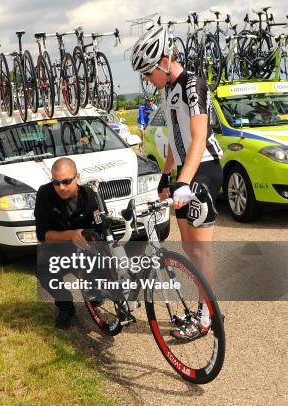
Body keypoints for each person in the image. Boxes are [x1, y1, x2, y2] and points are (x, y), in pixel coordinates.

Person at [131, 26, 224, 340]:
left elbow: (199, 137)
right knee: (188, 247)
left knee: (201, 251)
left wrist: (184, 181)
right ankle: (207, 308)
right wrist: (166, 175)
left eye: (147, 72)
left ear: (161, 62)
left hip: (205, 168)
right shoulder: (168, 90)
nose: (146, 79)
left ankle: (207, 315)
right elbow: (174, 138)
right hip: (185, 171)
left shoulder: (193, 84)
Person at [34, 157, 100, 330]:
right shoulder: (44, 194)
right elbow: (42, 234)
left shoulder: (91, 196)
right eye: (56, 182)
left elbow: (101, 227)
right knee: (43, 270)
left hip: (85, 250)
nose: (61, 187)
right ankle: (65, 305)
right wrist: (71, 235)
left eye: (66, 181)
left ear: (77, 177)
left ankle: (96, 291)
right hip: (57, 248)